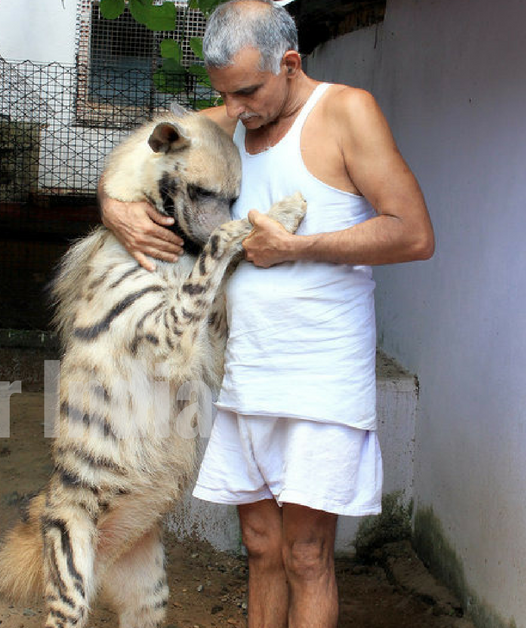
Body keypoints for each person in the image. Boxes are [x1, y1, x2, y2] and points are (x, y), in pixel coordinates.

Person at [100, 2, 434, 627]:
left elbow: (414, 234)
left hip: (319, 375)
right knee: (259, 548)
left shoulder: (345, 111)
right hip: (244, 373)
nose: (236, 110)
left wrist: (298, 248)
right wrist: (114, 209)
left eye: (248, 91)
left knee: (307, 554)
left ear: (289, 62)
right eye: (223, 95)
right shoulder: (227, 118)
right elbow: (127, 166)